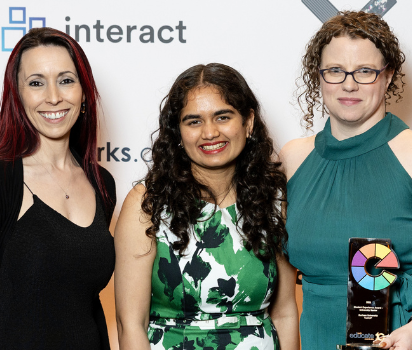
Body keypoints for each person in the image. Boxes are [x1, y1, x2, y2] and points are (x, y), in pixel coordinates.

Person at [282, 11, 412, 350]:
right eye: (335, 71)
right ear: (318, 76)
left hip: (410, 338)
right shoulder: (293, 158)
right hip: (321, 336)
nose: (348, 84)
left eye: (365, 71)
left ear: (388, 76)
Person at [114, 63, 299, 350]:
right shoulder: (147, 203)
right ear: (178, 132)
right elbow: (130, 325)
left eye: (222, 117)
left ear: (248, 122)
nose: (210, 132)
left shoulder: (274, 199)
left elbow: (285, 313)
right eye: (194, 121)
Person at [0, 27, 116, 350]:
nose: (53, 96)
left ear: (84, 93)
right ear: (18, 94)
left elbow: (86, 303)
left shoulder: (101, 183)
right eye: (36, 83)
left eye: (66, 80)